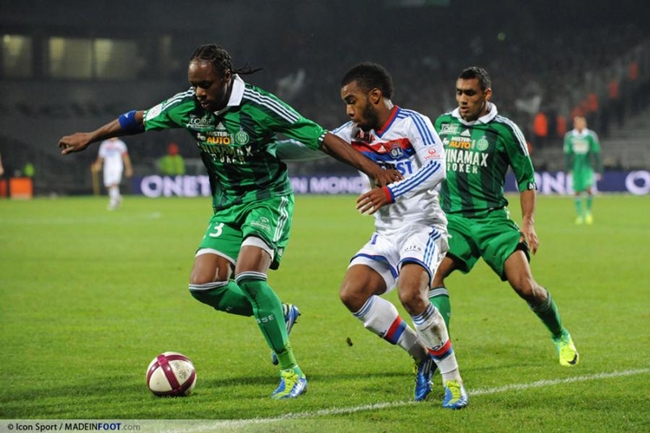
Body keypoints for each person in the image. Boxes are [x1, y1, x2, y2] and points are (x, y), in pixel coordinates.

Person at [58, 43, 401, 400]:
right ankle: (280, 314)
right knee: (203, 285)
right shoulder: (187, 106)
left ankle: (291, 371)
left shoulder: (260, 106)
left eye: (205, 84)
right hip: (227, 205)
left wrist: (373, 170)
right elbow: (138, 120)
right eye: (193, 85)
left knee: (249, 276)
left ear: (226, 77)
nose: (198, 92)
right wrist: (91, 137)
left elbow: (323, 139)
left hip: (268, 199)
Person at [332, 62, 467, 409]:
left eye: (352, 101)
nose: (348, 111)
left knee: (411, 294)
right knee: (352, 293)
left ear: (375, 96)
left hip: (424, 225)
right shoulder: (353, 133)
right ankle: (420, 354)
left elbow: (437, 169)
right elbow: (316, 143)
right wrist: (268, 141)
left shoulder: (413, 123)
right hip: (387, 233)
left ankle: (453, 382)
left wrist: (390, 192)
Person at [429, 66, 579, 369]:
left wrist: (528, 223)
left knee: (526, 287)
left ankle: (560, 334)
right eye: (459, 92)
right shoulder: (443, 124)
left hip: (492, 222)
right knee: (431, 278)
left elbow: (526, 179)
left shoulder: (505, 131)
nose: (462, 99)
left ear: (486, 94)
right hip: (453, 221)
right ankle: (437, 356)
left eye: (470, 93)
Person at [564, 116, 602, 225]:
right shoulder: (570, 136)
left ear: (585, 124)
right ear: (574, 125)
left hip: (587, 167)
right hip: (576, 167)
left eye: (582, 123)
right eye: (578, 123)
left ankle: (588, 212)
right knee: (577, 191)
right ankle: (579, 214)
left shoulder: (590, 136)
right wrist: (568, 168)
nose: (580, 125)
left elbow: (596, 152)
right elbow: (567, 154)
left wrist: (599, 168)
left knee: (589, 188)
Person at [92, 137, 133, 210]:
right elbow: (101, 156)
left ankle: (113, 202)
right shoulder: (105, 144)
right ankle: (117, 196)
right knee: (108, 185)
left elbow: (125, 156)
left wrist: (128, 168)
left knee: (114, 183)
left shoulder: (120, 144)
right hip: (107, 167)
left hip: (117, 166)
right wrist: (98, 164)